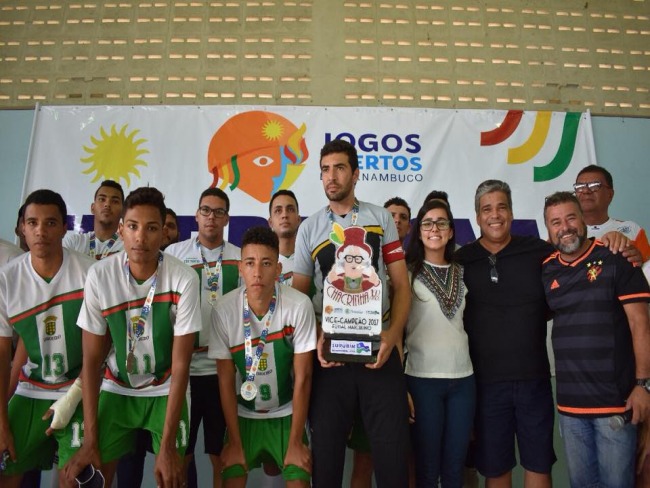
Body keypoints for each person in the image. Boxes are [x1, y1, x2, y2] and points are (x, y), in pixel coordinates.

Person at [64, 186, 202, 488]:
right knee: (90, 477)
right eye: (133, 227)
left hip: (165, 386)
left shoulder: (184, 279)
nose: (141, 237)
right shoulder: (100, 275)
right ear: (121, 229)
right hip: (118, 386)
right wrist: (90, 438)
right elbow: (90, 360)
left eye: (152, 228)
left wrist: (166, 448)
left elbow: (181, 367)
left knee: (172, 475)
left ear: (163, 233)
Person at [293, 139, 411, 487]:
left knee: (392, 460)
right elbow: (299, 297)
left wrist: (392, 336)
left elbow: (402, 286)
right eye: (325, 169)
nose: (332, 176)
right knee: (326, 464)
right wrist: (315, 338)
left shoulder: (380, 219)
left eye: (340, 168)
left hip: (378, 350)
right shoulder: (309, 228)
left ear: (356, 174)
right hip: (330, 358)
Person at [542, 191, 650, 488]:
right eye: (555, 222)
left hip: (615, 404)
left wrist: (644, 386)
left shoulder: (617, 257)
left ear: (583, 219)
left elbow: (641, 324)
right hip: (570, 408)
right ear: (548, 230)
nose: (565, 227)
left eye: (571, 218)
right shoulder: (546, 268)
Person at [455, 180, 556, 488]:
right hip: (485, 385)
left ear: (511, 213)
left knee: (538, 463)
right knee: (495, 468)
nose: (494, 215)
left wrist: (617, 242)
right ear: (477, 217)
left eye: (501, 207)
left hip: (534, 380)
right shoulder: (461, 261)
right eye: (487, 209)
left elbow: (578, 258)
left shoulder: (540, 251)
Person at [208, 226, 316, 487]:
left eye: (266, 263)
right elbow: (224, 380)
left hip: (287, 415)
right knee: (230, 478)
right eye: (250, 263)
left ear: (278, 270)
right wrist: (234, 442)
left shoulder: (299, 305)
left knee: (300, 479)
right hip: (244, 416)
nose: (257, 272)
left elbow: (303, 378)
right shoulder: (223, 310)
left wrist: (294, 443)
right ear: (241, 268)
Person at [0, 189, 94, 486]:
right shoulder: (7, 280)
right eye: (33, 223)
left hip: (80, 389)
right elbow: (3, 355)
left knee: (75, 478)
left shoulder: (90, 273)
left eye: (50, 223)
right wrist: (1, 420)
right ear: (22, 228)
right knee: (5, 465)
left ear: (64, 227)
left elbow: (101, 350)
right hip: (31, 389)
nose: (41, 231)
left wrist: (75, 394)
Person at [165, 187, 241, 488]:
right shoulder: (174, 255)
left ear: (227, 219)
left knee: (221, 456)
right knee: (179, 454)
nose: (211, 217)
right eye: (206, 210)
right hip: (182, 371)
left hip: (223, 371)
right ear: (196, 215)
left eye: (219, 211)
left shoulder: (239, 256)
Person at [405, 199, 475, 487]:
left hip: (463, 379)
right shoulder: (406, 273)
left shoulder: (466, 270)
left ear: (450, 231)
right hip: (422, 380)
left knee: (455, 467)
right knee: (427, 467)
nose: (435, 228)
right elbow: (395, 332)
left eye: (442, 222)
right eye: (428, 223)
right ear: (419, 231)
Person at [574, 165, 650, 262]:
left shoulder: (632, 230)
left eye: (594, 186)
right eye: (580, 187)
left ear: (610, 194)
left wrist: (641, 262)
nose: (586, 191)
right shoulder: (565, 235)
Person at [63, 180, 125, 260]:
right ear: (93, 208)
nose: (107, 204)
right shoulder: (73, 243)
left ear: (123, 211)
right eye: (102, 199)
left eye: (115, 201)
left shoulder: (128, 247)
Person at [268, 190, 302, 287]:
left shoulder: (311, 261)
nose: (284, 215)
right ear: (270, 222)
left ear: (298, 220)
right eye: (278, 211)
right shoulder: (263, 263)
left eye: (290, 209)